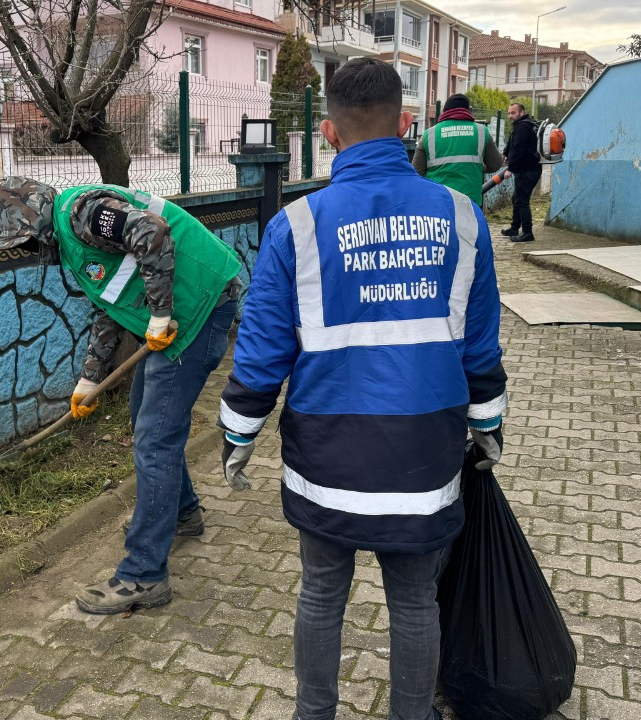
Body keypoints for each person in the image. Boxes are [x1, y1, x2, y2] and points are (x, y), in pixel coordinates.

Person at [217, 58, 508, 720]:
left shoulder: (295, 226)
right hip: (425, 453)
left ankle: (312, 714)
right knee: (413, 600)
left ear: (327, 132)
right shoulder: (463, 219)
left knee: (321, 592)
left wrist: (239, 434)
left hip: (327, 452)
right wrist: (488, 426)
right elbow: (480, 346)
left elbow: (263, 353)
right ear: (408, 126)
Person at [0, 177, 242, 615]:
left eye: (26, 241)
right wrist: (89, 378)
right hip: (187, 314)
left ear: (36, 217)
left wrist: (160, 313)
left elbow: (151, 231)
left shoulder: (82, 212)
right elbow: (111, 303)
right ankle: (182, 514)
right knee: (146, 417)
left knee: (155, 439)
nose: (30, 251)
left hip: (198, 311)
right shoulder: (73, 237)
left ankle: (144, 575)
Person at [412, 93, 503, 204]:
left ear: (444, 111)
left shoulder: (429, 134)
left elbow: (416, 172)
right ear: (468, 110)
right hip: (470, 201)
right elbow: (496, 164)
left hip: (438, 200)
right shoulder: (481, 132)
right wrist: (475, 166)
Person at [502, 102, 541, 242]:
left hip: (527, 170)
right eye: (509, 113)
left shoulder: (523, 127)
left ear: (522, 112)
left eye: (513, 113)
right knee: (516, 199)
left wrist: (510, 168)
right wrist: (505, 153)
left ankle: (528, 232)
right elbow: (512, 144)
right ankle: (514, 228)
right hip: (526, 169)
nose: (510, 116)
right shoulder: (522, 125)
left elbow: (519, 149)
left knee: (522, 201)